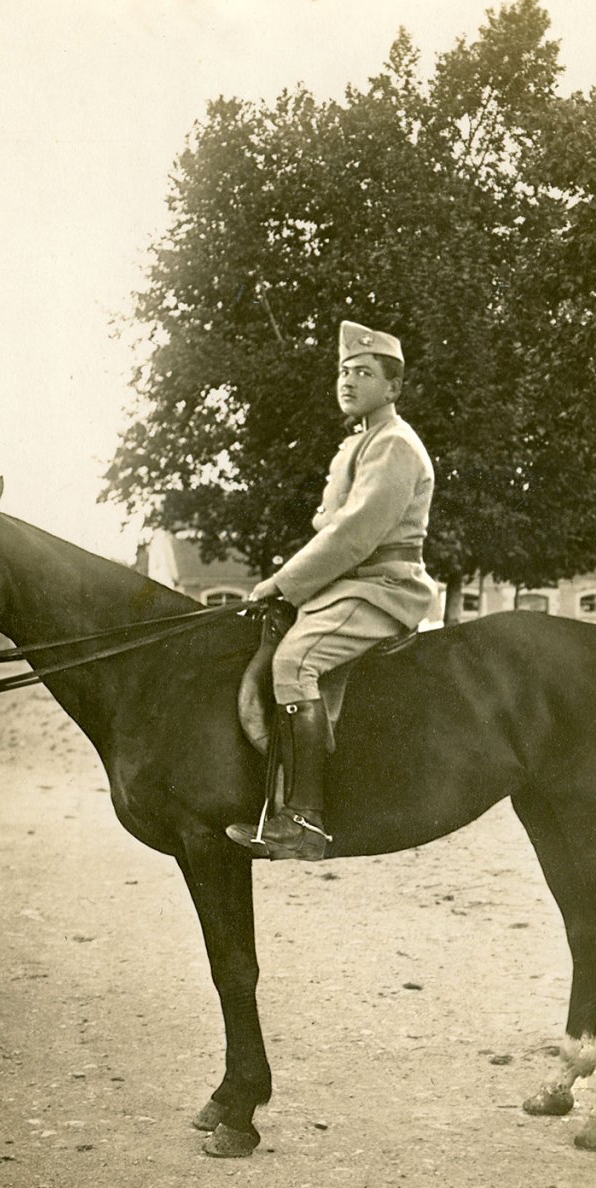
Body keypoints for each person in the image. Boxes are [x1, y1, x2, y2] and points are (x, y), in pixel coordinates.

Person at [226, 320, 437, 861]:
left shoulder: (394, 445)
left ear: (392, 387)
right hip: (351, 587)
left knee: (294, 661)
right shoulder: (360, 443)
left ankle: (304, 820)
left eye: (363, 373)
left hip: (382, 588)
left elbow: (352, 535)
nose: (348, 381)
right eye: (344, 372)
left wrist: (282, 583)